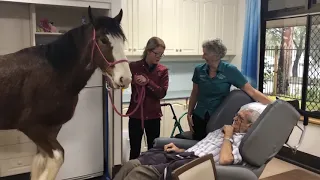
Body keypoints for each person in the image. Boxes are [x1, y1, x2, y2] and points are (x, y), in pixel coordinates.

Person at [113, 102, 266, 180]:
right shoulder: (223, 130)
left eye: (240, 119)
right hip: (185, 155)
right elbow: (202, 147)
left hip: (194, 164)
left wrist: (228, 136)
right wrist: (180, 150)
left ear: (249, 126)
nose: (234, 119)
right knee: (131, 164)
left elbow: (226, 160)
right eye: (236, 115)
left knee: (139, 174)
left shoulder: (242, 141)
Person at [187, 38, 272, 141]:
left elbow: (251, 91)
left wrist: (273, 105)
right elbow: (195, 92)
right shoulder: (199, 70)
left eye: (205, 54)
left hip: (219, 117)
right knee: (197, 146)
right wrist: (189, 113)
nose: (202, 56)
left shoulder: (230, 70)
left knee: (215, 148)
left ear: (214, 55)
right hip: (199, 115)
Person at [126, 37, 169, 160]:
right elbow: (122, 82)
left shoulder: (163, 71)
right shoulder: (133, 67)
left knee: (153, 150)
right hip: (136, 115)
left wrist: (148, 82)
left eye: (161, 54)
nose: (159, 57)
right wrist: (133, 81)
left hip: (153, 116)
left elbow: (161, 93)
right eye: (156, 53)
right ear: (148, 51)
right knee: (134, 149)